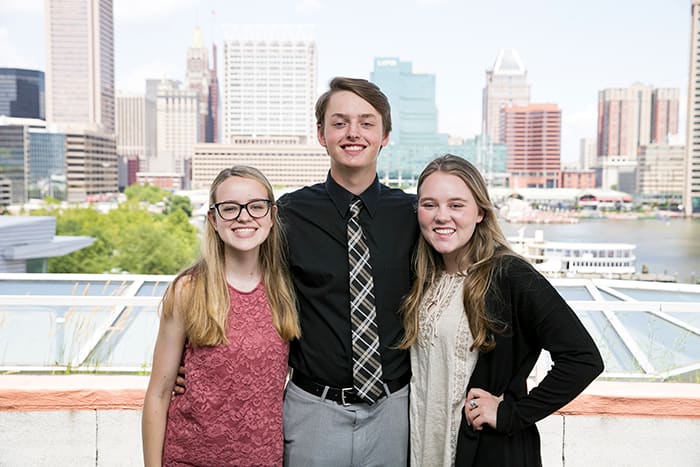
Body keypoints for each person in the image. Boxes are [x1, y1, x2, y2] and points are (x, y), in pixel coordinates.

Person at [399, 154, 604, 467]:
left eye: (456, 205)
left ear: (480, 211)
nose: (442, 216)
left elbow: (583, 358)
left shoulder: (509, 275)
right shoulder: (421, 277)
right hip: (424, 449)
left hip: (487, 453)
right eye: (429, 205)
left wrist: (510, 413)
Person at [277, 77, 419, 466]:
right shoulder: (288, 214)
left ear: (385, 135)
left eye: (367, 123)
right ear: (321, 134)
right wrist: (198, 360)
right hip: (313, 411)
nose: (353, 133)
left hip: (394, 411)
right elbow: (246, 286)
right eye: (339, 123)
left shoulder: (413, 214)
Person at [142, 166, 300, 467]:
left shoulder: (285, 290)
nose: (244, 216)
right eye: (230, 208)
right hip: (191, 458)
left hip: (264, 459)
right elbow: (158, 394)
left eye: (256, 206)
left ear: (272, 215)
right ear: (213, 219)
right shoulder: (188, 290)